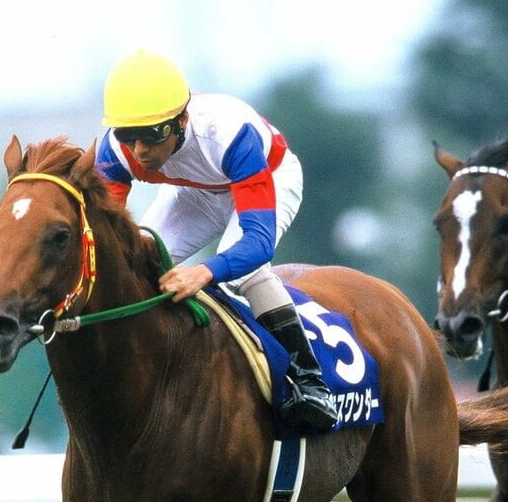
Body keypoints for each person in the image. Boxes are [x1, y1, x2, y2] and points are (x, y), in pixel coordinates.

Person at [93, 49, 340, 432]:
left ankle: (310, 382)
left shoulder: (228, 133)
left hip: (269, 177)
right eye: (129, 136)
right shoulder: (115, 151)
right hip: (196, 193)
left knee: (245, 273)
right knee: (136, 262)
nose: (140, 150)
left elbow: (257, 243)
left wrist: (204, 272)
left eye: (153, 134)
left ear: (182, 120)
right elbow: (106, 244)